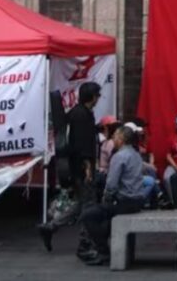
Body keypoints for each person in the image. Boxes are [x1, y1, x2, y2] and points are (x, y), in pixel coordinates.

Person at [38, 81, 101, 252]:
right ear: (92, 96)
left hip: (77, 167)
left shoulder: (78, 113)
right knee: (89, 205)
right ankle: (85, 241)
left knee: (80, 204)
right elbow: (82, 145)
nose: (98, 99)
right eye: (97, 95)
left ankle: (51, 226)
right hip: (82, 168)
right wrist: (88, 168)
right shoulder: (82, 115)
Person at [77, 126, 147, 266]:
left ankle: (103, 251)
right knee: (105, 218)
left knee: (88, 215)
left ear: (121, 139)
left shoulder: (119, 156)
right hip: (137, 200)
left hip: (125, 201)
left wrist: (106, 199)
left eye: (115, 136)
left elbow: (111, 184)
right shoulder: (135, 154)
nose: (113, 139)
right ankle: (102, 247)